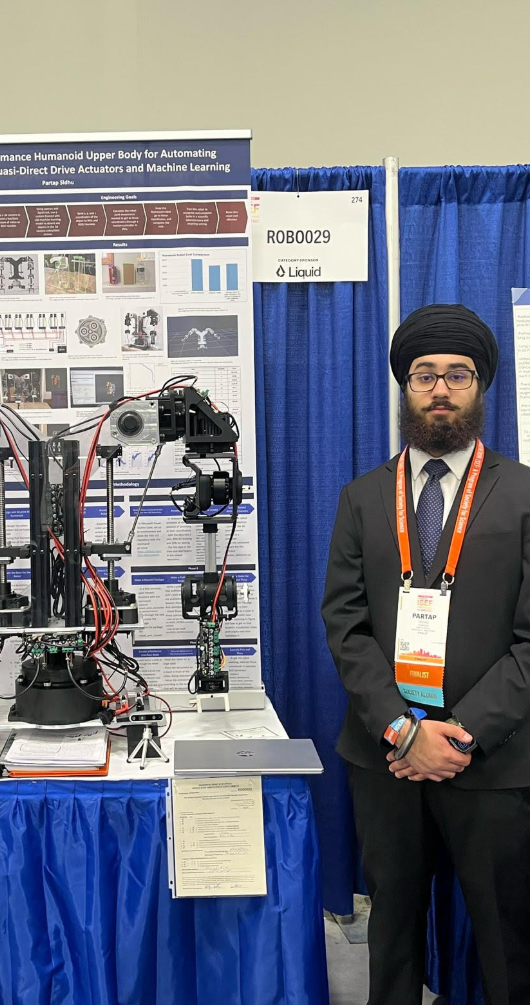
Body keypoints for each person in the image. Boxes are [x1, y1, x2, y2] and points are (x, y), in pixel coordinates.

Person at [321, 304, 530, 1005]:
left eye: (457, 375)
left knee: (508, 943)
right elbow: (344, 624)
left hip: (495, 761)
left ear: (481, 386)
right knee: (393, 941)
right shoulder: (362, 498)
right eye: (424, 375)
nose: (441, 389)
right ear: (405, 387)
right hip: (387, 758)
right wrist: (405, 730)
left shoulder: (525, 495)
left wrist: (460, 734)